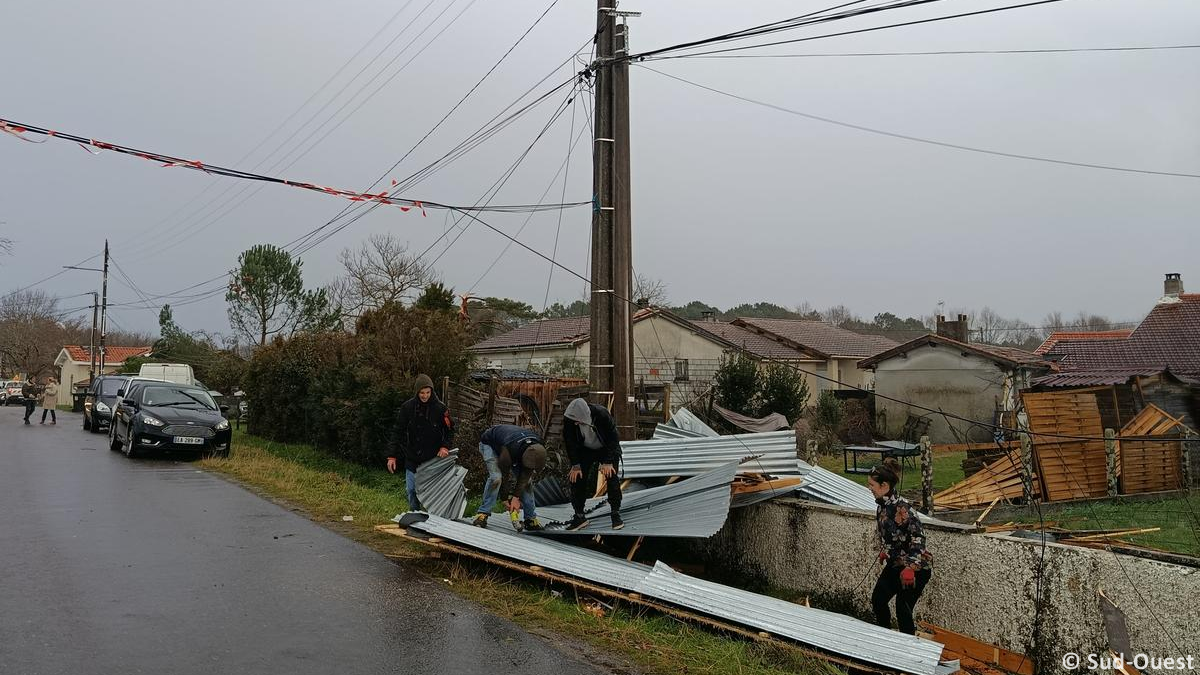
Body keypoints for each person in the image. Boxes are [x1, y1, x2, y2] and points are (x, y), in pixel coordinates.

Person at [867, 458, 932, 635]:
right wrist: (885, 551)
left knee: (903, 609)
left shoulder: (903, 509)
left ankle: (908, 647)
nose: (870, 488)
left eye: (872, 485)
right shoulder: (882, 507)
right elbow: (891, 535)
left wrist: (911, 568)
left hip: (915, 568)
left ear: (884, 485)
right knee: (878, 600)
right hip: (896, 564)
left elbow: (918, 538)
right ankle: (885, 637)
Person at [386, 374, 453, 511]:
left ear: (432, 391)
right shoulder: (407, 407)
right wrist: (391, 456)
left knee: (432, 493)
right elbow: (397, 431)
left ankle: (432, 520)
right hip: (413, 456)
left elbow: (450, 430)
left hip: (433, 458)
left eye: (428, 392)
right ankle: (414, 515)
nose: (425, 396)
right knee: (411, 490)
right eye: (422, 393)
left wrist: (445, 447)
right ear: (417, 392)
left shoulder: (441, 409)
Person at [471, 424, 548, 531]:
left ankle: (530, 519)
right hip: (490, 443)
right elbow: (505, 476)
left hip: (514, 446)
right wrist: (504, 498)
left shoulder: (537, 448)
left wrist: (515, 498)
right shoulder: (507, 454)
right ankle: (482, 514)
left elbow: (525, 475)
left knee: (528, 482)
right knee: (496, 478)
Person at [562, 397, 623, 531]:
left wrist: (608, 462)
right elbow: (570, 442)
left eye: (578, 420)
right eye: (574, 420)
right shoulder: (569, 420)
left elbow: (613, 438)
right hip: (585, 450)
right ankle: (579, 516)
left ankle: (615, 514)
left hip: (606, 448)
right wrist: (575, 464)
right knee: (577, 477)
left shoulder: (601, 414)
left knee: (611, 476)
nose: (576, 423)